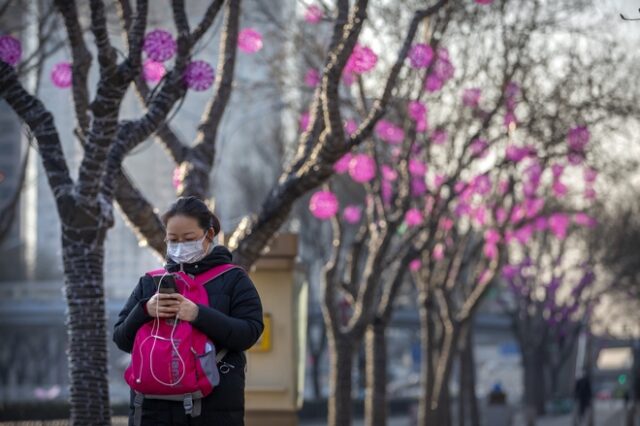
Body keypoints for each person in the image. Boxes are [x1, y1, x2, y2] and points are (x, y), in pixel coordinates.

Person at [113, 196, 264, 426]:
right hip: (153, 409)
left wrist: (198, 315)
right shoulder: (151, 283)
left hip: (213, 409)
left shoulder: (234, 279)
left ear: (209, 235)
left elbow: (249, 332)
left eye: (189, 238)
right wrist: (144, 310)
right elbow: (122, 339)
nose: (180, 246)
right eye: (173, 239)